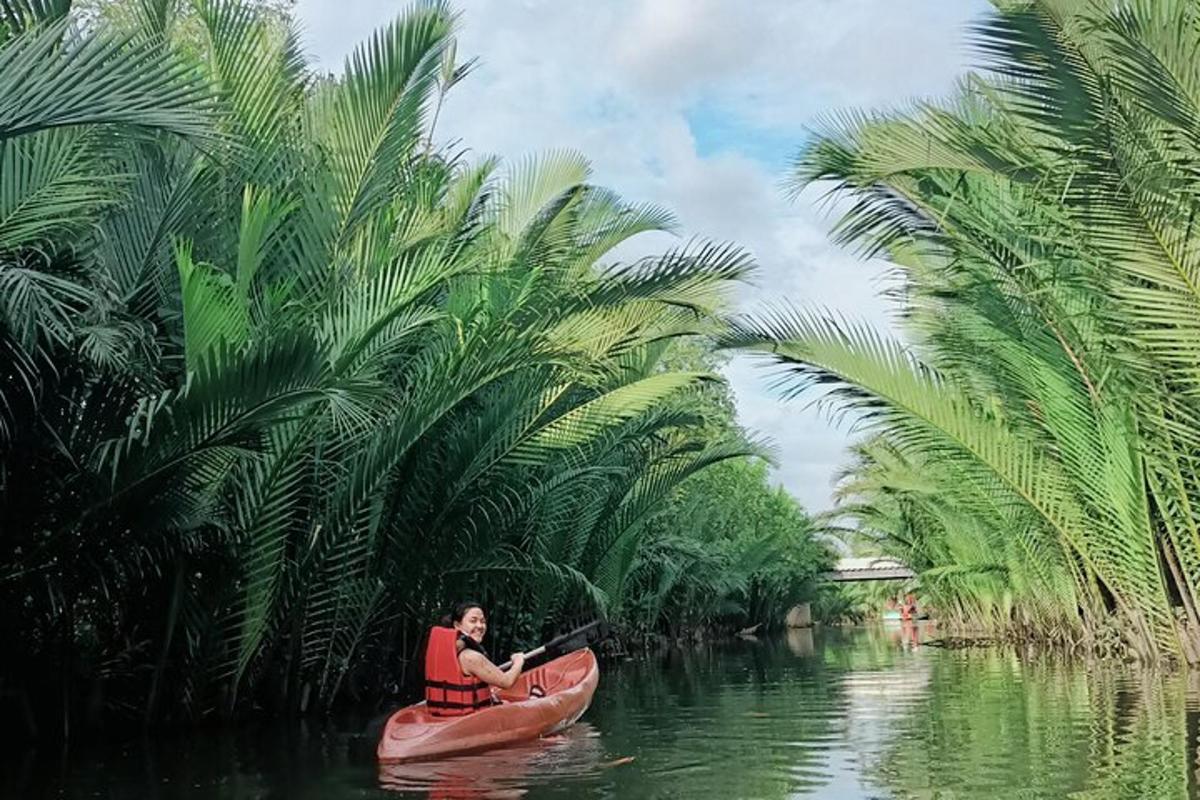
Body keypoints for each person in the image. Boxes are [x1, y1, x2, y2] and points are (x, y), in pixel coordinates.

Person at [424, 601, 526, 716]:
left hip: (443, 714)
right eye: (473, 621)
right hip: (467, 718)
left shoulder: (447, 649)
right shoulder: (471, 657)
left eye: (483, 621)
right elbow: (506, 682)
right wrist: (518, 661)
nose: (480, 626)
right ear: (457, 625)